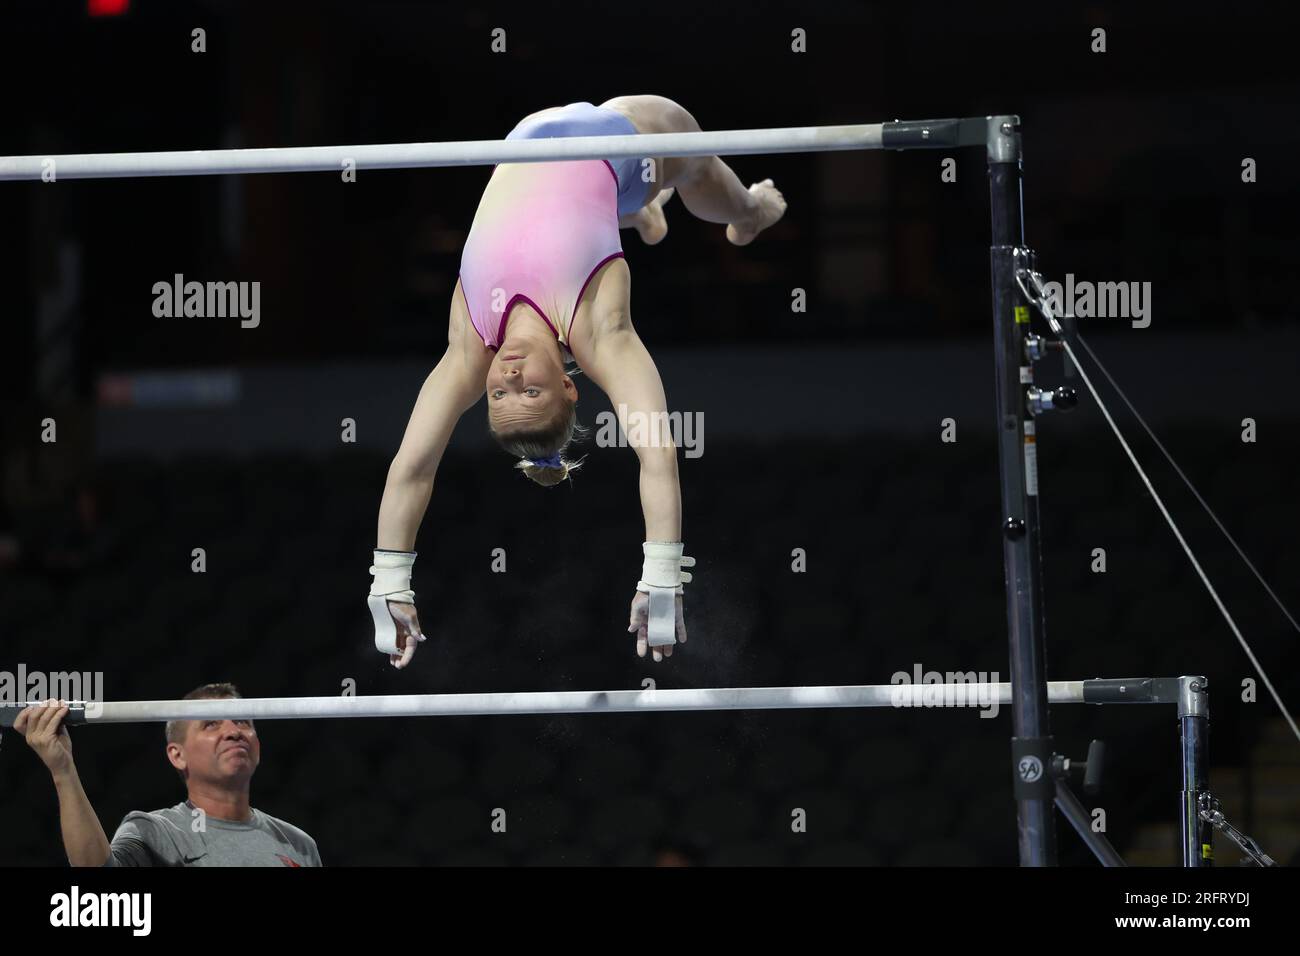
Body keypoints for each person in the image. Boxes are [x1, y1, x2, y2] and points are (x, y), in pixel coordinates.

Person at [369, 95, 786, 669]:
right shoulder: (598, 331)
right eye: (530, 391)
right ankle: (749, 215)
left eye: (500, 393)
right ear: (571, 388)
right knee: (694, 156)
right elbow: (658, 455)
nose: (510, 376)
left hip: (520, 142)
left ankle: (635, 215)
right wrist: (661, 576)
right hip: (613, 146)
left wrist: (389, 582)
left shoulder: (471, 344)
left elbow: (412, 469)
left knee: (614, 200)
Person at [15, 683, 320, 866]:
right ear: (177, 754)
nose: (233, 732)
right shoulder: (154, 831)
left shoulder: (298, 843)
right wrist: (63, 769)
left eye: (242, 722)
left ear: (257, 743)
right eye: (210, 724)